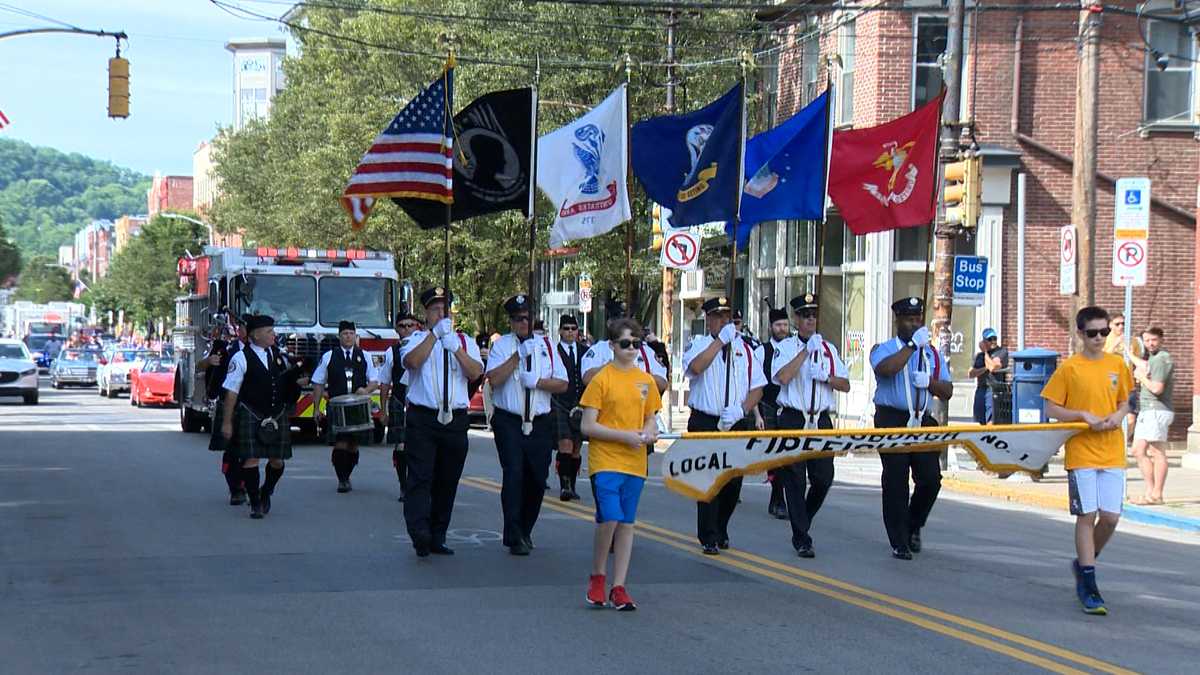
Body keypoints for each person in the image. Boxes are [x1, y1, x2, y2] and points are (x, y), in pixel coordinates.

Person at [1041, 306, 1132, 615]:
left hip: (1112, 451)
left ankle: (1083, 563)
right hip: (1081, 452)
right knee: (1087, 515)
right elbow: (1051, 408)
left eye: (1104, 332)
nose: (1099, 338)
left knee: (1110, 518)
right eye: (1092, 333)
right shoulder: (1070, 368)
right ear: (1080, 334)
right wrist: (1081, 415)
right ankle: (1089, 585)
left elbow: (1125, 401)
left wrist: (1117, 418)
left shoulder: (1117, 364)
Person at [580, 317, 662, 611]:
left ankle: (619, 586)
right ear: (612, 346)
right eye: (625, 343)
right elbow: (587, 426)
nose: (631, 349)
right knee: (610, 516)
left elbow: (651, 415)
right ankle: (598, 575)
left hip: (634, 461)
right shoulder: (603, 379)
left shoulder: (646, 380)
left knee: (626, 522)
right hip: (606, 459)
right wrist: (622, 436)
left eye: (636, 344)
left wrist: (650, 429)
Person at [399, 287, 484, 557]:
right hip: (423, 419)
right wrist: (434, 337)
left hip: (455, 419)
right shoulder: (416, 339)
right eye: (435, 309)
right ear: (426, 314)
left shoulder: (464, 340)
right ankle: (419, 532)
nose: (441, 313)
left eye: (445, 309)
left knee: (447, 481)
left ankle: (438, 534)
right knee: (421, 478)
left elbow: (475, 372)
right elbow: (411, 363)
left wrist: (456, 348)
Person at [869, 297, 954, 560]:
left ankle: (913, 524)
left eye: (918, 319)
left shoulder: (931, 354)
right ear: (898, 321)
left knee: (930, 479)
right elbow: (886, 370)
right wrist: (910, 347)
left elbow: (947, 390)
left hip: (922, 419)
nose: (915, 324)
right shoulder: (883, 349)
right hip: (892, 418)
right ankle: (899, 540)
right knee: (896, 481)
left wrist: (929, 382)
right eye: (909, 319)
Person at [682, 296, 766, 555]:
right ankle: (708, 535)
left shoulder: (746, 350)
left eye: (726, 316)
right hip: (705, 420)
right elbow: (696, 367)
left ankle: (720, 526)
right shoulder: (699, 344)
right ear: (708, 320)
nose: (723, 321)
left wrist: (741, 409)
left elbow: (757, 388)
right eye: (717, 316)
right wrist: (720, 342)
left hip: (735, 420)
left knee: (732, 482)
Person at [486, 295, 568, 555]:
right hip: (509, 420)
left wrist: (539, 382)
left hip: (540, 421)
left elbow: (563, 383)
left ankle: (525, 528)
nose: (524, 323)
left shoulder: (547, 346)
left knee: (537, 478)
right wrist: (516, 359)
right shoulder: (502, 346)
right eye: (518, 319)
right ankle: (513, 535)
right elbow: (494, 380)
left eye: (528, 318)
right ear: (511, 322)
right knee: (514, 474)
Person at [771, 294, 851, 558]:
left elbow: (845, 384)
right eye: (805, 316)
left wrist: (827, 377)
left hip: (821, 418)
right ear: (796, 319)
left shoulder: (829, 349)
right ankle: (802, 537)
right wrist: (805, 353)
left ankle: (802, 519)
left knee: (823, 478)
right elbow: (782, 377)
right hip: (794, 417)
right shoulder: (786, 347)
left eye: (814, 315)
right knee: (794, 480)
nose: (810, 320)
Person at [219, 315, 303, 519]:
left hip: (276, 415)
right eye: (269, 331)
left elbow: (286, 382)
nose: (273, 334)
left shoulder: (278, 355)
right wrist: (227, 422)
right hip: (251, 413)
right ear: (255, 335)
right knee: (251, 460)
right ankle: (255, 502)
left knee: (277, 461)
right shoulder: (241, 358)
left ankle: (266, 492)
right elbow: (231, 392)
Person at [311, 321, 377, 494]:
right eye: (345, 333)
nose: (348, 336)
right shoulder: (329, 356)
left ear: (356, 336)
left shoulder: (365, 355)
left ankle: (346, 474)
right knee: (340, 443)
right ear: (339, 336)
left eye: (351, 333)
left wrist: (366, 390)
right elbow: (318, 382)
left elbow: (375, 380)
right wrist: (316, 408)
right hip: (337, 405)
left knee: (354, 444)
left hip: (358, 406)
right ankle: (342, 479)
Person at [201, 315, 247, 505]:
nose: (246, 332)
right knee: (232, 451)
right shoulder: (226, 348)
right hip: (228, 404)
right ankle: (235, 488)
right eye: (243, 328)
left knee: (248, 452)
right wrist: (208, 362)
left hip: (252, 407)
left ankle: (247, 486)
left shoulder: (266, 352)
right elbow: (200, 366)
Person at [378, 311, 421, 502]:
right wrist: (383, 409)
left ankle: (419, 485)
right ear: (397, 329)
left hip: (421, 403)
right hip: (399, 400)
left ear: (417, 327)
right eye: (402, 325)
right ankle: (404, 485)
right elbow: (385, 382)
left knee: (420, 448)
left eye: (410, 325)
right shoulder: (391, 352)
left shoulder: (426, 347)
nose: (407, 329)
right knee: (402, 446)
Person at [1127, 327, 1174, 506]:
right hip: (1148, 410)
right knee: (1138, 450)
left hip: (1157, 409)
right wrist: (1129, 353)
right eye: (1146, 341)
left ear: (1161, 339)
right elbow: (1144, 365)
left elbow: (1156, 388)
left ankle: (1156, 494)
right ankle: (1151, 492)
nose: (1150, 344)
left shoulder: (1161, 359)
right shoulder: (1154, 358)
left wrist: (1141, 377)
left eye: (1153, 340)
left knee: (1156, 451)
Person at [582, 300, 668, 394]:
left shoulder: (645, 350)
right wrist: (610, 368)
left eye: (626, 321)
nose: (631, 348)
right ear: (609, 323)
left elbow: (663, 384)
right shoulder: (598, 349)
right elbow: (587, 379)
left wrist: (638, 375)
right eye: (618, 321)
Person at [759, 304, 792, 520]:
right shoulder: (762, 350)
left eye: (785, 325)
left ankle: (780, 497)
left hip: (789, 408)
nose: (782, 329)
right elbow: (755, 383)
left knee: (787, 456)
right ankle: (777, 497)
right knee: (774, 456)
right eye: (778, 325)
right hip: (769, 407)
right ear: (771, 327)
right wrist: (757, 414)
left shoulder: (794, 349)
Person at [552, 314, 586, 502]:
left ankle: (572, 485)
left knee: (577, 447)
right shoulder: (554, 351)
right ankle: (564, 486)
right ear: (560, 331)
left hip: (581, 403)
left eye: (573, 328)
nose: (570, 332)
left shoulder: (585, 351)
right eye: (566, 328)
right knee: (565, 443)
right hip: (560, 403)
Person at [968, 328, 1009, 425]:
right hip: (981, 389)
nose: (993, 341)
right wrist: (985, 368)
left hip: (994, 389)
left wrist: (986, 353)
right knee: (980, 419)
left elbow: (993, 367)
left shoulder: (1001, 352)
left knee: (991, 420)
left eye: (995, 338)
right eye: (990, 339)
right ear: (984, 341)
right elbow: (971, 373)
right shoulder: (979, 356)